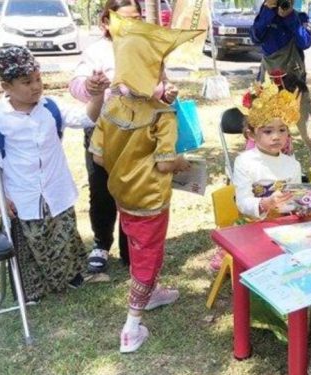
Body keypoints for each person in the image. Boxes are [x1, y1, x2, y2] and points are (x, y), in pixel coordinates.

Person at [88, 12, 202, 353]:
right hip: (152, 197)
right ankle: (132, 326)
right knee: (148, 255)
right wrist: (183, 164)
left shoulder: (112, 106)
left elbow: (97, 157)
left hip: (123, 194)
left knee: (138, 245)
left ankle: (151, 294)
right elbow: (166, 162)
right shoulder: (160, 114)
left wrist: (125, 164)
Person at [0, 45, 105, 302]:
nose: (36, 86)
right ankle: (33, 290)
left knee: (64, 231)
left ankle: (71, 276)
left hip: (55, 187)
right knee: (31, 240)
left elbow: (87, 118)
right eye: (27, 82)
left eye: (38, 79)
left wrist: (98, 95)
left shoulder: (51, 108)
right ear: (6, 86)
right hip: (22, 193)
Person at [69, 0, 179, 273]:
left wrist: (167, 93)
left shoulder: (149, 46)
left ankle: (133, 247)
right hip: (106, 131)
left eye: (137, 18)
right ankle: (101, 244)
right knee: (102, 189)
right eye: (125, 19)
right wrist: (91, 85)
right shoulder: (97, 51)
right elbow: (76, 85)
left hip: (143, 134)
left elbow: (159, 85)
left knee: (137, 188)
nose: (133, 24)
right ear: (106, 22)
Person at [233, 77, 302, 220]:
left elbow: (296, 199)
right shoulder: (244, 162)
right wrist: (266, 203)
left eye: (282, 130)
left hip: (286, 225)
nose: (276, 137)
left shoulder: (293, 165)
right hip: (253, 225)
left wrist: (302, 207)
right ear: (251, 134)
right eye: (268, 131)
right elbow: (242, 202)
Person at [250, 0, 311, 82]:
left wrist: (290, 17)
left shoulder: (300, 17)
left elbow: (305, 43)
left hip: (293, 78)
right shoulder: (266, 15)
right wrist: (267, 11)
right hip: (268, 77)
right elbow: (255, 38)